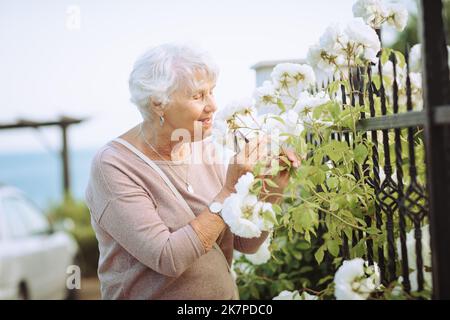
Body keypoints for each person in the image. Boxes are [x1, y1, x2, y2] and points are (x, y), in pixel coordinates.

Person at [85, 43, 300, 299]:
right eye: (198, 96)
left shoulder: (204, 149)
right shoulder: (114, 165)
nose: (213, 105)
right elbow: (168, 258)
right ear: (158, 104)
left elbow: (245, 242)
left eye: (212, 92)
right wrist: (229, 189)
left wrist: (272, 190)